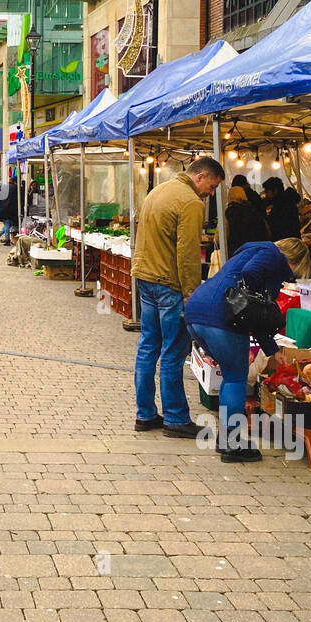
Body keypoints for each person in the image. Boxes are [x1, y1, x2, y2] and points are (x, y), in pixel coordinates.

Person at [130, 156, 226, 437]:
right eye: (212, 185)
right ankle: (175, 418)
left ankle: (145, 414)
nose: (211, 193)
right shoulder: (190, 202)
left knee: (148, 347)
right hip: (169, 284)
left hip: (145, 278)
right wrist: (192, 294)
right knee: (173, 351)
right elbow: (188, 254)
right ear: (201, 177)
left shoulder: (159, 190)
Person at [185, 240, 301, 462]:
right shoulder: (272, 254)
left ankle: (225, 440)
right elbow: (251, 286)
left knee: (230, 376)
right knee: (236, 378)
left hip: (196, 312)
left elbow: (252, 312)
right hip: (220, 318)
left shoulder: (249, 251)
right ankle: (233, 443)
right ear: (294, 258)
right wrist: (255, 292)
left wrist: (272, 349)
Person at [224, 184, 271, 257]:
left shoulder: (229, 213)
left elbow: (221, 235)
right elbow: (267, 231)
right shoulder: (254, 210)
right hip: (257, 250)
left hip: (237, 252)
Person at [262, 176, 303, 241]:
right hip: (293, 239)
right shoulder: (287, 199)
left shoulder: (282, 203)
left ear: (275, 190)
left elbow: (278, 225)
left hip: (287, 241)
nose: (266, 195)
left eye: (267, 191)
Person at [0, 178, 19, 246]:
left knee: (7, 224)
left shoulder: (3, 188)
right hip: (12, 209)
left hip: (4, 208)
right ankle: (7, 239)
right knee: (8, 224)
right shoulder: (15, 188)